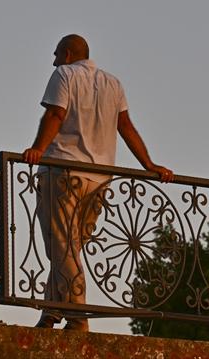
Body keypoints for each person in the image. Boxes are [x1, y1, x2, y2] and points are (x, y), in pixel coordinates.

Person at [23, 34, 173, 332]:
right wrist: (149, 164)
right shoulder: (112, 83)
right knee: (70, 247)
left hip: (64, 169)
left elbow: (56, 113)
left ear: (67, 54)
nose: (53, 61)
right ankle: (52, 313)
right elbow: (125, 126)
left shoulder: (63, 74)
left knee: (62, 246)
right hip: (100, 178)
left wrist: (38, 148)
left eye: (55, 55)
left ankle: (78, 318)